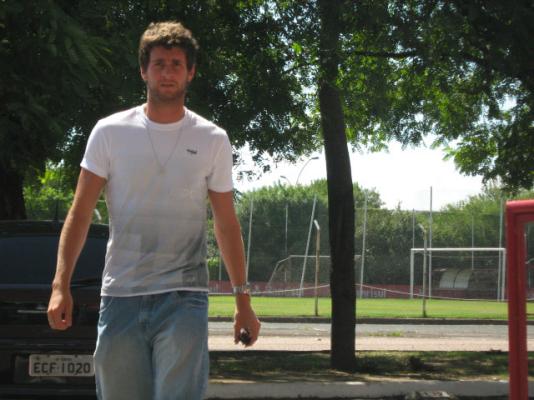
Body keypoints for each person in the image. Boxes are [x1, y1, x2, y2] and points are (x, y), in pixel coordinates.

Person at [47, 21, 261, 400]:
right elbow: (80, 214)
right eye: (159, 63)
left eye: (176, 64)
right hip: (120, 295)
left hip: (185, 297)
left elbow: (226, 224)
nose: (167, 72)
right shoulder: (109, 132)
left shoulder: (212, 139)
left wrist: (242, 301)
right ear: (143, 70)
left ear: (191, 72)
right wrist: (60, 285)